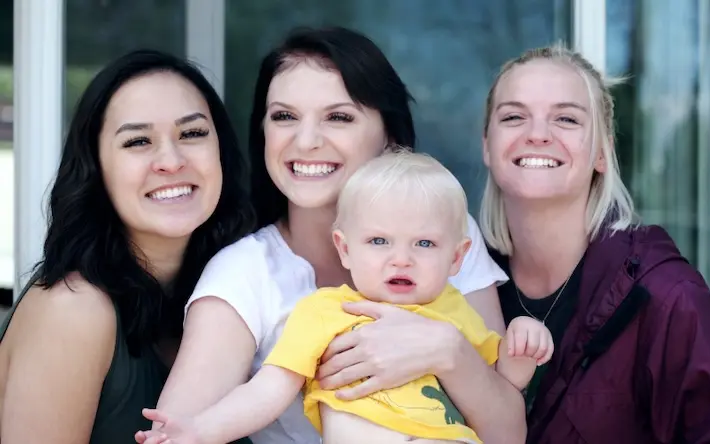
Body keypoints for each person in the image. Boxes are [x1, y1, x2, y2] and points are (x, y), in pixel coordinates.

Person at [146, 26, 526, 444]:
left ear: (391, 139)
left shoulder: (439, 235)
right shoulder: (245, 274)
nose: (306, 141)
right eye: (284, 117)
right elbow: (177, 433)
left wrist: (447, 350)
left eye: (339, 117)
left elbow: (508, 434)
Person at [137, 151, 553, 444]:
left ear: (457, 256)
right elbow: (268, 390)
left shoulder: (455, 312)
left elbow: (502, 385)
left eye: (424, 244)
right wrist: (199, 430)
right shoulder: (325, 311)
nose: (401, 259)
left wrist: (522, 344)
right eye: (378, 241)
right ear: (345, 247)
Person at [479, 43, 710, 443]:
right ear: (486, 147)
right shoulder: (457, 285)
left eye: (566, 118)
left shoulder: (669, 298)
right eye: (513, 116)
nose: (538, 134)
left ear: (602, 151)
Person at [0, 50, 254, 443]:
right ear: (96, 168)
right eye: (138, 141)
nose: (170, 160)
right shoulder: (74, 309)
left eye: (192, 133)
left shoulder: (233, 289)